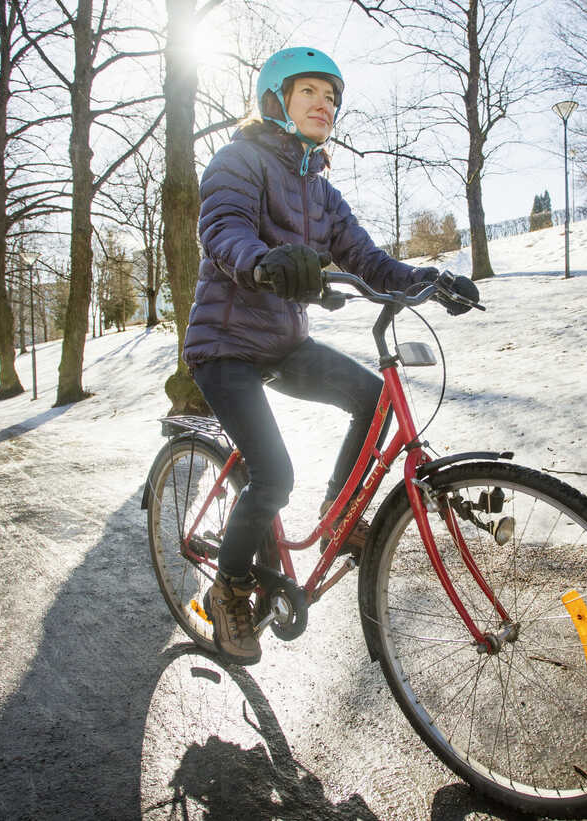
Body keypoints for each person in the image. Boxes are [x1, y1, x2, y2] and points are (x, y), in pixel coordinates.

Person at [183, 46, 479, 664]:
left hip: (285, 342)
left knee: (374, 401)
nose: (326, 105)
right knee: (272, 476)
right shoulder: (238, 162)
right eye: (311, 92)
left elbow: (368, 260)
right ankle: (230, 587)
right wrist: (263, 260)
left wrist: (429, 278)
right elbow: (223, 230)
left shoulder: (321, 191)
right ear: (276, 101)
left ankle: (336, 514)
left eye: (333, 97)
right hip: (224, 347)